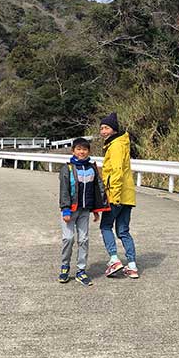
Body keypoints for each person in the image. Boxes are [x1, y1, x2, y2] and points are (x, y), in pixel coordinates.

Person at [58, 137, 109, 286]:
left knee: (84, 240)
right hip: (70, 210)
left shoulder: (92, 167)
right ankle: (65, 267)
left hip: (85, 211)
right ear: (73, 151)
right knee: (68, 239)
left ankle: (81, 270)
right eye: (79, 149)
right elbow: (64, 191)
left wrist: (96, 209)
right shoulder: (67, 168)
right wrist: (65, 209)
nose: (82, 152)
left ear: (89, 151)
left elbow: (95, 189)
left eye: (85, 149)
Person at [99, 112, 139, 279]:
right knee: (123, 230)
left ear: (114, 130)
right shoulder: (122, 143)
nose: (103, 131)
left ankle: (114, 259)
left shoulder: (115, 146)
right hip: (127, 196)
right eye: (101, 128)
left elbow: (116, 172)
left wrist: (113, 195)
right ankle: (132, 265)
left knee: (105, 226)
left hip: (117, 194)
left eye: (106, 128)